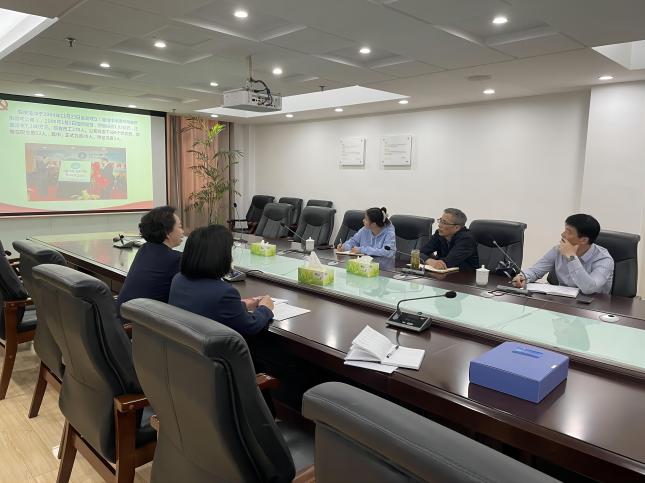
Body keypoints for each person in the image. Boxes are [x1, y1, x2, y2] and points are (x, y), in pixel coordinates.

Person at [169, 225, 274, 336]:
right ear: (220, 256)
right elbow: (250, 326)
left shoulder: (178, 280)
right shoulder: (224, 293)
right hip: (216, 346)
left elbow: (208, 307)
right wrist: (265, 308)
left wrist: (242, 305)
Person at [512, 214, 614, 294]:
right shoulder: (558, 250)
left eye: (568, 232)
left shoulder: (604, 260)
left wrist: (571, 257)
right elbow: (535, 271)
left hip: (593, 307)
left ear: (583, 240)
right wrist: (523, 277)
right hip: (563, 303)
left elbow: (589, 288)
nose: (562, 234)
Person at [116, 206, 184, 318]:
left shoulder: (144, 249)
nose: (183, 231)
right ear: (167, 233)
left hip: (123, 316)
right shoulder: (175, 259)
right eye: (180, 227)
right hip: (137, 323)